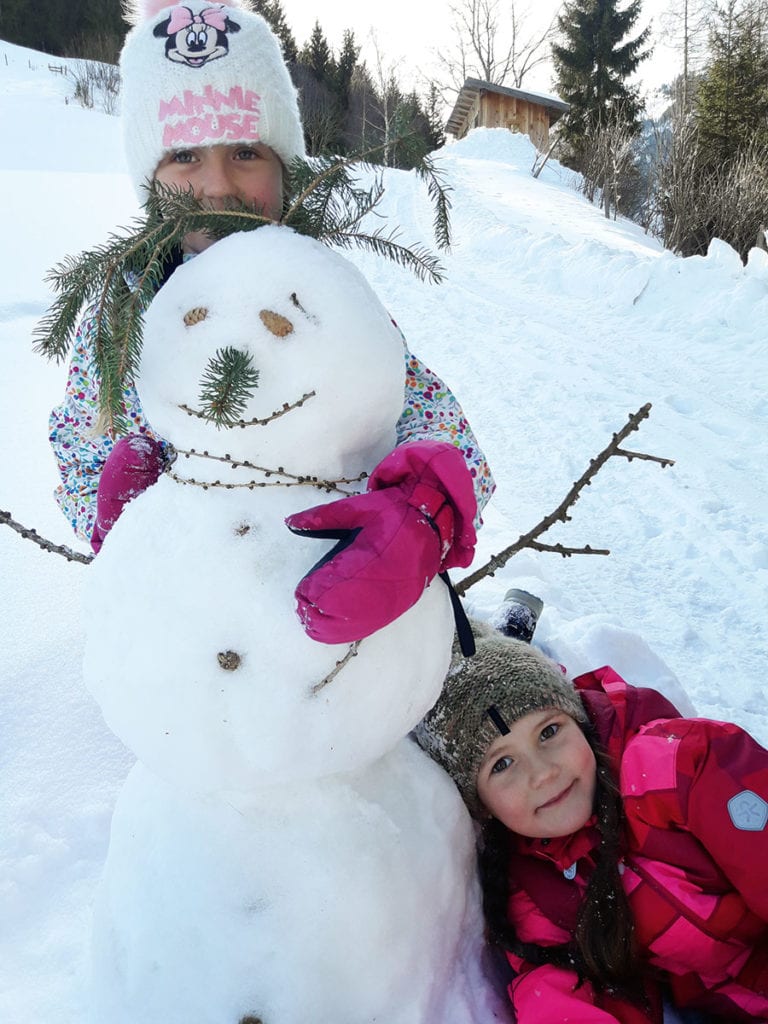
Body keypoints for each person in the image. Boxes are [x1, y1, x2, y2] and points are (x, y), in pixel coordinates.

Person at [47, 0, 494, 642]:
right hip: (203, 628)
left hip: (348, 612)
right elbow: (78, 446)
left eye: (247, 152)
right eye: (184, 157)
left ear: (286, 166)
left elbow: (434, 422)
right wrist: (121, 517)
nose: (218, 186)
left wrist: (421, 515)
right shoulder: (123, 314)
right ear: (149, 177)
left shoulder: (319, 297)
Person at [415, 620, 768, 1023]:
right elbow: (560, 995)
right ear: (483, 807)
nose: (542, 773)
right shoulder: (534, 894)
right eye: (503, 763)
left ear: (580, 720)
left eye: (548, 731)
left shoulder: (677, 767)